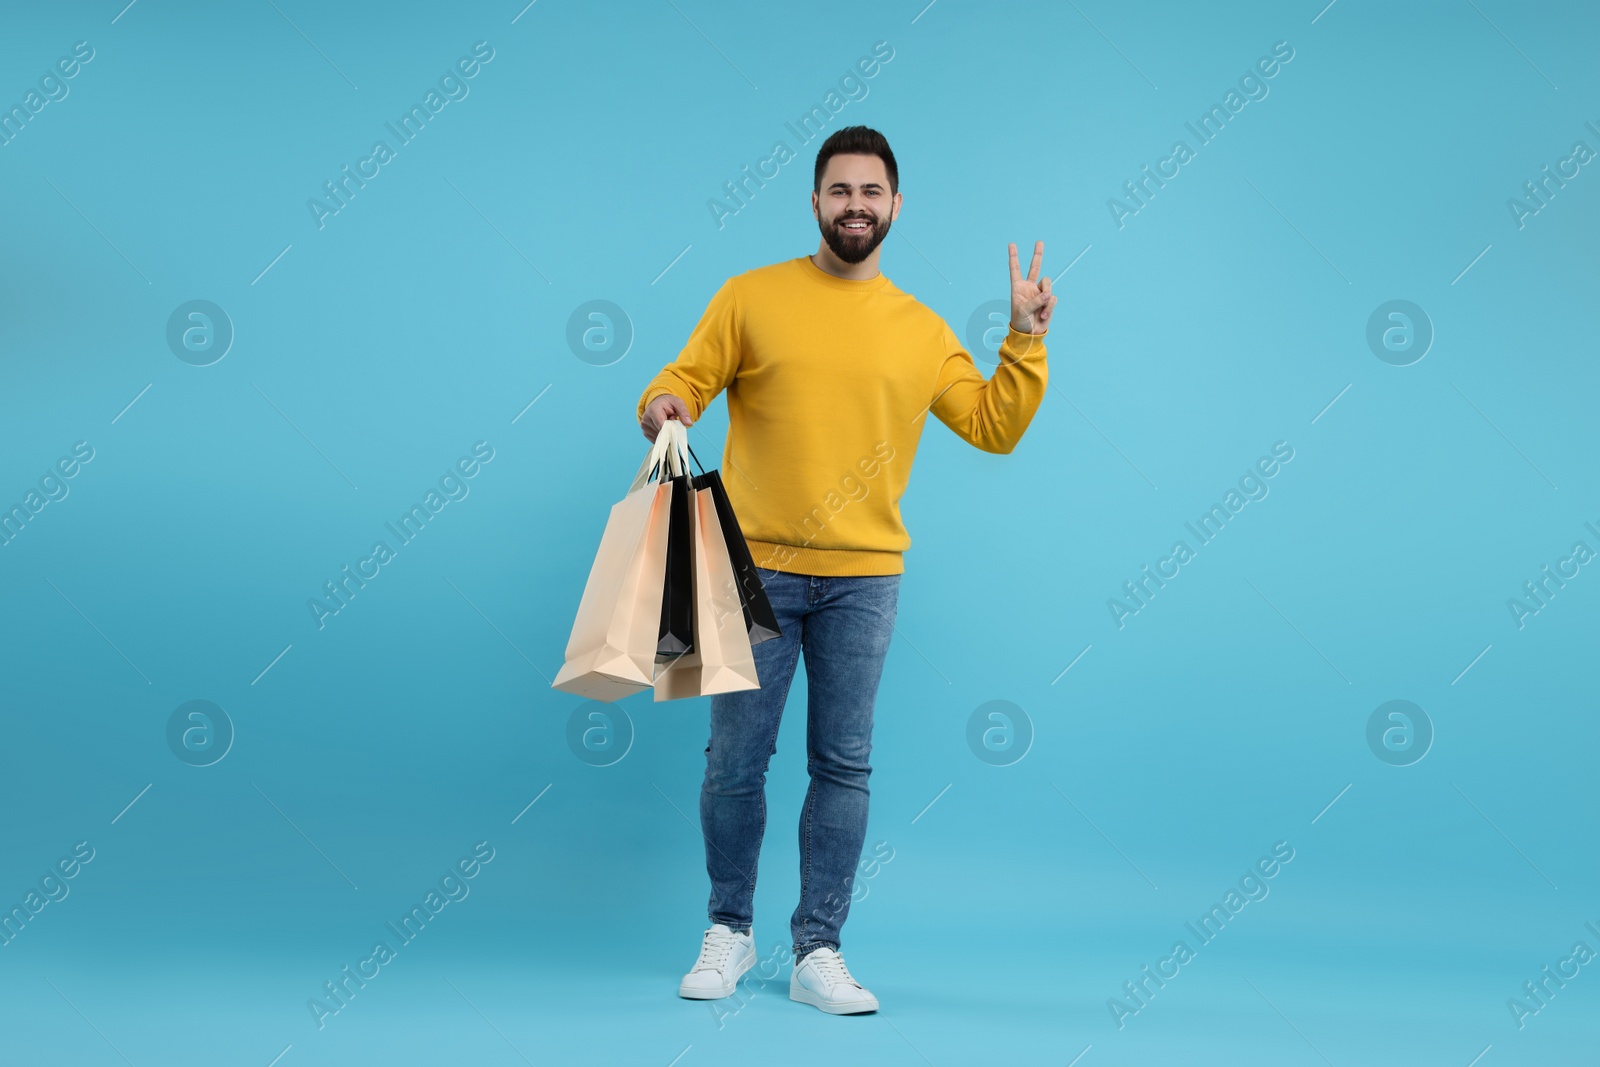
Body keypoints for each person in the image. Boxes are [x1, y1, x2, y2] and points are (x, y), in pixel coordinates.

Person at [635, 125, 1056, 1015]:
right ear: (816, 201)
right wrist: (664, 403)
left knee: (844, 766)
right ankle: (729, 928)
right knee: (733, 761)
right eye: (840, 191)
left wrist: (1021, 339)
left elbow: (992, 424)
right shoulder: (751, 298)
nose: (855, 205)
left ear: (895, 207)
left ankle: (817, 948)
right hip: (753, 569)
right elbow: (686, 378)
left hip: (866, 581)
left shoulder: (918, 328)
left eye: (872, 192)